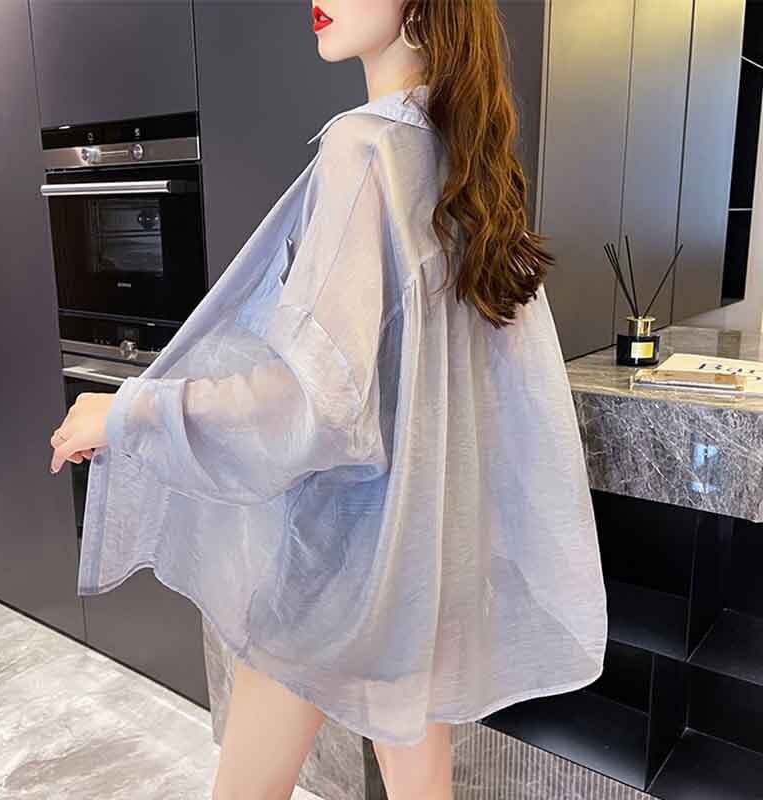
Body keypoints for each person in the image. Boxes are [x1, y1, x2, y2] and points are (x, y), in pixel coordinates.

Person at [49, 2, 609, 799]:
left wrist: (129, 411)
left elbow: (318, 402)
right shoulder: (465, 158)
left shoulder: (365, 147)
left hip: (342, 562)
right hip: (428, 557)